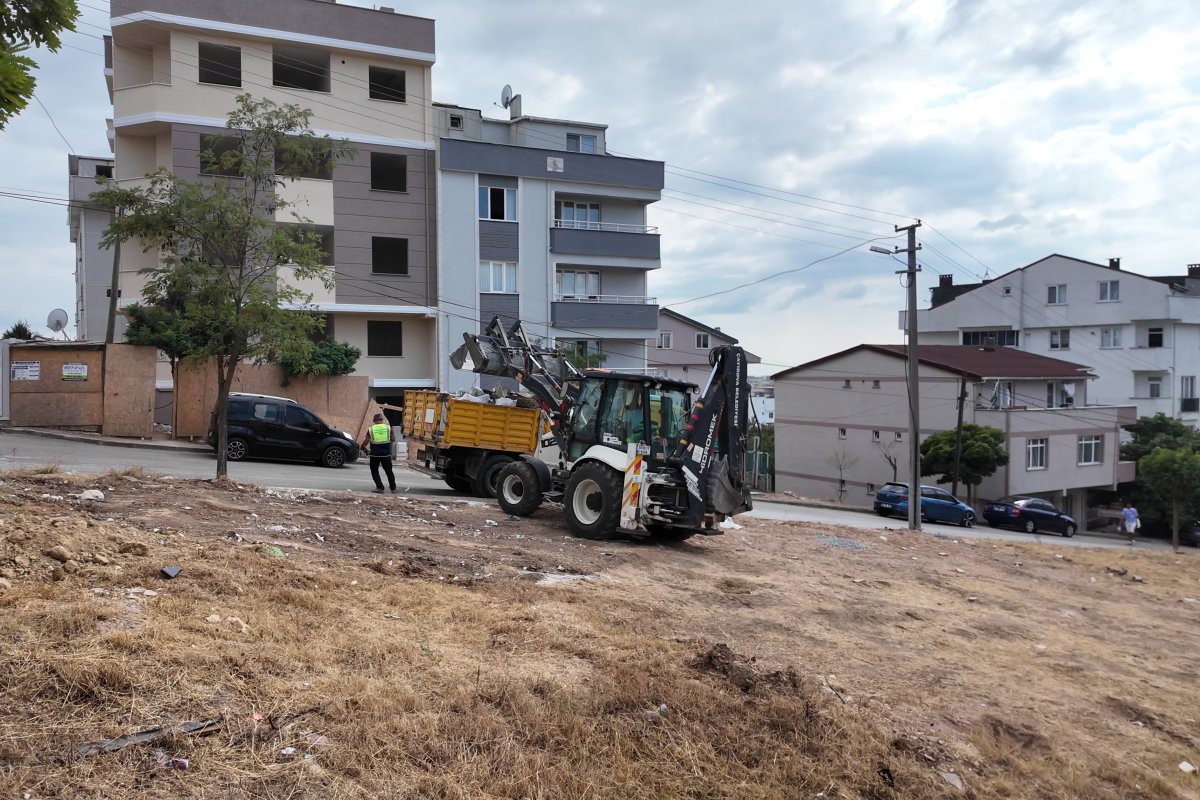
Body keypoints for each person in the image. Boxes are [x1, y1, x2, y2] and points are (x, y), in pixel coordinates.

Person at [361, 413, 397, 494]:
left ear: (374, 421)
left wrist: (362, 446)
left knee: (374, 471)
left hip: (375, 455)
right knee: (389, 471)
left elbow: (366, 441)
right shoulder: (388, 428)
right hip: (386, 454)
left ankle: (380, 487)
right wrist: (389, 448)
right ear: (382, 420)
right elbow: (393, 439)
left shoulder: (371, 429)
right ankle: (393, 488)